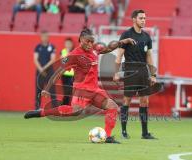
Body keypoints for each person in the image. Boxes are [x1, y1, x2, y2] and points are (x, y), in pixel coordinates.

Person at [24, 28, 136, 143]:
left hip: (95, 90)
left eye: (92, 42)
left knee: (112, 107)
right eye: (88, 41)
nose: (90, 44)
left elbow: (108, 48)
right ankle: (42, 112)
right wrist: (47, 89)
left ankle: (107, 136)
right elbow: (59, 71)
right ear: (81, 40)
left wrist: (123, 41)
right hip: (81, 90)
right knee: (75, 111)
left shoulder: (94, 50)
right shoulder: (74, 55)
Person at [113, 9, 162, 139]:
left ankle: (145, 133)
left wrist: (153, 74)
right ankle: (123, 131)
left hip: (143, 70)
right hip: (130, 70)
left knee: (145, 101)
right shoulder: (126, 35)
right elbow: (119, 55)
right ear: (134, 19)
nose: (144, 20)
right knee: (127, 100)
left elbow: (150, 56)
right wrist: (116, 72)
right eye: (141, 18)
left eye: (145, 18)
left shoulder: (147, 37)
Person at [34, 30, 57, 110]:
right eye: (43, 36)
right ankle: (37, 108)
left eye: (46, 36)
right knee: (38, 90)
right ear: (41, 37)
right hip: (39, 71)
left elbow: (53, 59)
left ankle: (55, 108)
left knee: (52, 89)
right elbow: (35, 59)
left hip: (49, 71)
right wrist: (40, 69)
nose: (45, 38)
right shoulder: (38, 47)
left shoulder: (52, 47)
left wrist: (44, 68)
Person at [61, 38, 74, 105]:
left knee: (69, 92)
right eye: (67, 43)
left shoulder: (74, 52)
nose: (68, 45)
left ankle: (66, 106)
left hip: (72, 75)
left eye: (69, 43)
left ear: (72, 44)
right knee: (66, 92)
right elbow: (63, 62)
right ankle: (64, 106)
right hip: (64, 75)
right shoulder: (63, 51)